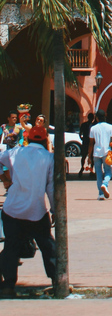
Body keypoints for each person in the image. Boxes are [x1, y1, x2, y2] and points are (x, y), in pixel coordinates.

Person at [0, 125, 57, 298]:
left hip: (12, 209)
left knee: (11, 246)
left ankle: (8, 286)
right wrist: (54, 209)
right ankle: (57, 281)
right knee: (48, 246)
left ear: (28, 139)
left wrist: (5, 179)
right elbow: (51, 188)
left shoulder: (16, 153)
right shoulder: (49, 158)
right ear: (45, 140)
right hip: (36, 211)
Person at [89, 109, 112, 200]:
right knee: (108, 171)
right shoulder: (110, 127)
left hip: (96, 153)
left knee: (98, 173)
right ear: (105, 116)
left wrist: (89, 156)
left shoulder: (93, 128)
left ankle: (100, 194)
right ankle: (105, 184)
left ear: (96, 118)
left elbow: (91, 143)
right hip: (106, 152)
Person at [78, 113, 95, 178]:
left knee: (88, 156)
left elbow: (80, 133)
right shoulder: (89, 125)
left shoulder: (90, 125)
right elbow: (80, 133)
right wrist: (82, 138)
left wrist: (82, 138)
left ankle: (88, 168)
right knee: (86, 156)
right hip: (88, 142)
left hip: (88, 142)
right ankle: (86, 168)